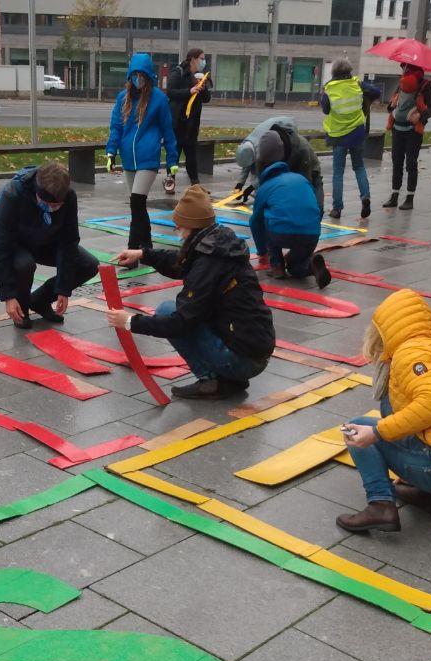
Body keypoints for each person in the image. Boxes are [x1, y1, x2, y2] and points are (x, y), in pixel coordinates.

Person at [336, 288, 431, 534]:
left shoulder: (408, 354)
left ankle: (380, 505)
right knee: (389, 407)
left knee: (356, 429)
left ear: (385, 329)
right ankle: (430, 496)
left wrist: (377, 433)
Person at [105, 186, 275, 400]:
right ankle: (228, 379)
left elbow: (181, 322)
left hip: (245, 359)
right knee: (175, 310)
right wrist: (143, 254)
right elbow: (181, 262)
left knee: (168, 311)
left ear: (191, 227)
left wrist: (131, 321)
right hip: (252, 348)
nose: (178, 233)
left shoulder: (209, 262)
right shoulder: (218, 244)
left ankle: (211, 380)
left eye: (179, 228)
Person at [0, 161, 99, 330]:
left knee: (89, 265)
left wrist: (63, 288)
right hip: (15, 242)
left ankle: (40, 300)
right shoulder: (13, 192)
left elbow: (69, 242)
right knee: (25, 265)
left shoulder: (69, 197)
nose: (51, 209)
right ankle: (21, 308)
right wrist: (8, 297)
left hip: (46, 240)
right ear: (37, 192)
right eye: (46, 203)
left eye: (56, 206)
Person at [106, 53, 179, 250]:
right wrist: (111, 152)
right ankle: (146, 246)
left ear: (148, 76)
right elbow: (116, 127)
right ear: (130, 76)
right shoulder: (123, 98)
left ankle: (132, 250)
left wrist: (172, 161)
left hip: (148, 158)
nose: (138, 79)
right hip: (129, 158)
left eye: (142, 75)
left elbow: (168, 131)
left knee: (137, 203)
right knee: (138, 207)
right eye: (135, 74)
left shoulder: (159, 99)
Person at [249, 130, 331, 287]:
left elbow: (255, 222)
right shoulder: (300, 178)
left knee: (266, 217)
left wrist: (261, 251)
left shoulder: (265, 187)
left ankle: (277, 266)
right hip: (311, 234)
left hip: (282, 234)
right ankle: (308, 266)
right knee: (296, 268)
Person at [322, 61, 381, 220]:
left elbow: (326, 109)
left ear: (334, 73)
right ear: (349, 71)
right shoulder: (358, 84)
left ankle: (337, 208)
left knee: (338, 172)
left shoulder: (329, 88)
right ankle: (365, 197)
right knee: (359, 167)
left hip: (339, 135)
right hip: (357, 133)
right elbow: (377, 92)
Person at [234, 116, 324, 210]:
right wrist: (240, 183)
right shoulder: (250, 144)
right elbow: (248, 161)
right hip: (289, 153)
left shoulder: (293, 149)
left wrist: (253, 186)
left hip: (308, 166)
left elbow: (305, 181)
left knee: (309, 189)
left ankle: (317, 211)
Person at [383, 63, 431, 211]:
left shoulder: (426, 84)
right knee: (397, 162)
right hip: (397, 129)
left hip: (413, 131)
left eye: (405, 68)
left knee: (411, 163)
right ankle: (394, 195)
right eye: (403, 68)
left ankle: (409, 197)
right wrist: (391, 104)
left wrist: (420, 115)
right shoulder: (401, 83)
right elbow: (391, 106)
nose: (403, 70)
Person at [164, 48, 212, 192]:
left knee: (191, 155)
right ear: (192, 59)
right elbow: (171, 92)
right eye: (201, 58)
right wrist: (189, 91)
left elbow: (206, 99)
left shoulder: (199, 76)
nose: (203, 61)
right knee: (175, 153)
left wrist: (203, 88)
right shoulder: (178, 73)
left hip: (192, 124)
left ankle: (195, 184)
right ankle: (170, 180)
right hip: (178, 122)